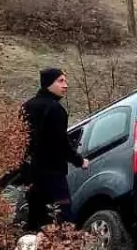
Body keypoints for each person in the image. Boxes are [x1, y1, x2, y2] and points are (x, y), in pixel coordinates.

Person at [18, 68, 88, 231]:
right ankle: (63, 245)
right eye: (60, 81)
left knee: (36, 218)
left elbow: (19, 140)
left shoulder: (26, 106)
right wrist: (79, 161)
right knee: (63, 217)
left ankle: (30, 243)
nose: (65, 85)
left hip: (31, 172)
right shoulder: (55, 109)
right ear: (48, 83)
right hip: (52, 172)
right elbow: (60, 143)